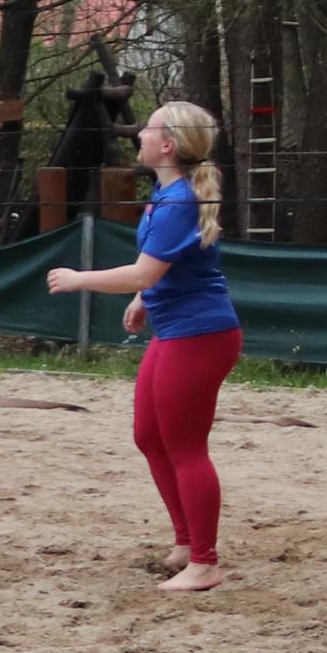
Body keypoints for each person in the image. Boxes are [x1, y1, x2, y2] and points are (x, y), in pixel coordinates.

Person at [46, 98, 242, 594]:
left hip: (200, 334)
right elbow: (161, 268)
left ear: (169, 144)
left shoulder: (178, 202)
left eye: (148, 130)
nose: (140, 135)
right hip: (176, 327)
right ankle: (185, 543)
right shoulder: (167, 191)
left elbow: (145, 268)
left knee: (185, 446)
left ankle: (205, 562)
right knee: (148, 436)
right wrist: (142, 297)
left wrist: (79, 278)